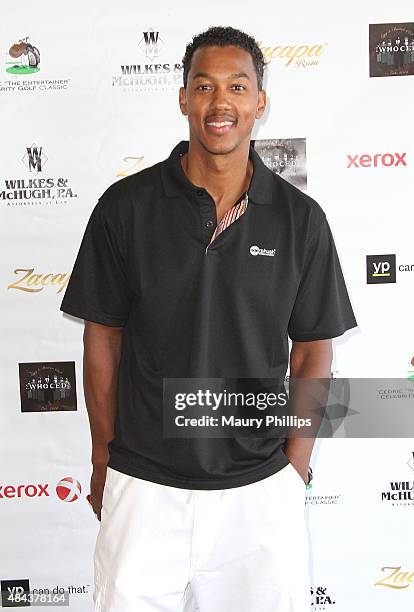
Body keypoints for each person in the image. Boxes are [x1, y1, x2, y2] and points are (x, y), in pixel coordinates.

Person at [60, 25, 357, 612]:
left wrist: (292, 468)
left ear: (259, 102)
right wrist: (104, 461)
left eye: (238, 87)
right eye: (204, 86)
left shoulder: (301, 220)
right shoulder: (126, 208)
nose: (221, 103)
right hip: (144, 488)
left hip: (259, 493)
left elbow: (314, 349)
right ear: (183, 98)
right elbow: (103, 341)